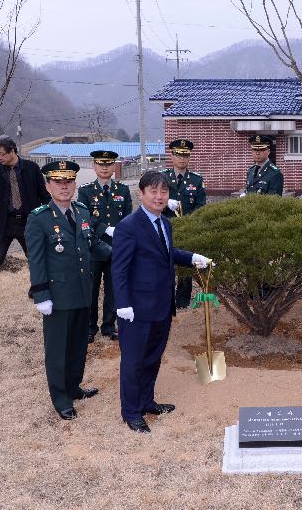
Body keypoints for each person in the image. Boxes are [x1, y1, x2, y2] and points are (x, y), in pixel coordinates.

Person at [111, 171, 212, 433]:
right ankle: (131, 411)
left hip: (161, 306)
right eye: (153, 192)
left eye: (164, 192)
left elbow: (167, 254)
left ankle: (146, 401)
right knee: (133, 361)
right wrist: (123, 304)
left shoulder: (164, 223)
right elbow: (119, 270)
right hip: (135, 309)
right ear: (141, 193)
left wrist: (191, 258)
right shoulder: (128, 226)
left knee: (153, 357)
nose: (159, 197)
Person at [25, 160, 111, 420]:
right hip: (57, 297)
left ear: (74, 183)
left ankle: (73, 387)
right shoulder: (38, 218)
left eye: (69, 181)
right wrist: (41, 294)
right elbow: (36, 260)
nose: (64, 186)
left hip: (83, 292)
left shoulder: (82, 211)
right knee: (58, 350)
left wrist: (120, 255)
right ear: (48, 185)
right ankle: (60, 398)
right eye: (58, 182)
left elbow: (93, 244)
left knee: (77, 345)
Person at [0, 135, 49, 305]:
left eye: (1, 154)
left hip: (29, 222)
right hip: (3, 223)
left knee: (35, 257)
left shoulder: (32, 168)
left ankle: (36, 289)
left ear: (12, 150)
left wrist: (53, 214)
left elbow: (43, 194)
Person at [77, 150, 133, 342]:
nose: (104, 167)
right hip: (93, 247)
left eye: (108, 164)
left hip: (116, 248)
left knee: (113, 288)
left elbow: (128, 218)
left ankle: (109, 326)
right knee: (91, 289)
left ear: (114, 166)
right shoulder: (85, 191)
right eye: (101, 164)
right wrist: (105, 229)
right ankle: (90, 328)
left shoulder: (123, 190)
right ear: (94, 166)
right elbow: (83, 217)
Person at [162, 139, 207, 308]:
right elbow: (152, 202)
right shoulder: (162, 177)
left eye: (185, 155)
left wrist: (190, 223)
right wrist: (166, 202)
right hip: (165, 229)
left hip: (187, 230)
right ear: (172, 156)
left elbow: (201, 205)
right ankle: (166, 303)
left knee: (185, 269)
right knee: (164, 267)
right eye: (178, 155)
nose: (182, 158)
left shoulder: (196, 180)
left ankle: (182, 304)